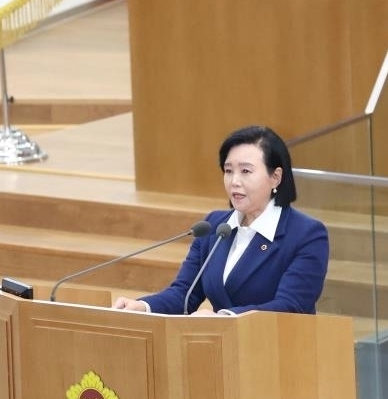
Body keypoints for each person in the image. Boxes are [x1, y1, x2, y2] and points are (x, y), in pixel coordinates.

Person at [113, 125, 328, 316]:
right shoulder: (215, 226)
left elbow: (290, 307)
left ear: (275, 177)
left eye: (245, 171)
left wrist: (224, 318)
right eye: (228, 171)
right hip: (223, 345)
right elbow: (184, 294)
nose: (234, 181)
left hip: (277, 346)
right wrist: (142, 306)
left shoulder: (306, 234)